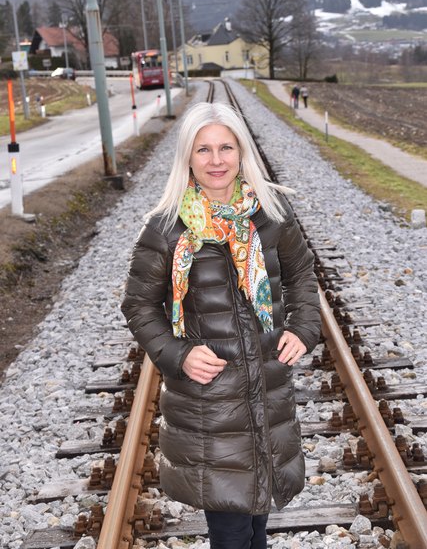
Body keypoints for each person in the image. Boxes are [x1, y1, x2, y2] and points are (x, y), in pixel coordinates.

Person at [121, 102, 321, 549]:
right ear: (187, 159)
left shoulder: (268, 213)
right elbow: (138, 305)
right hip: (210, 403)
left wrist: (304, 328)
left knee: (255, 522)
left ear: (241, 151)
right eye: (203, 150)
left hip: (267, 394)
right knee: (231, 528)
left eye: (225, 147)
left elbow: (302, 273)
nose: (216, 161)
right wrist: (178, 354)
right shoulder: (167, 228)